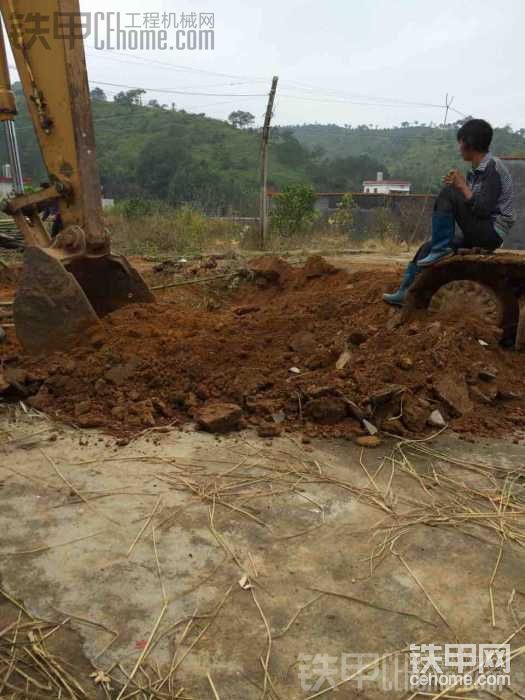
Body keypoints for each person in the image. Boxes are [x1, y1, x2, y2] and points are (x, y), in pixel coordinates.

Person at [383, 118, 515, 306]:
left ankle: (441, 248)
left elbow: (484, 210)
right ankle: (406, 291)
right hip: (480, 229)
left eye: (460, 142)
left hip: (491, 232)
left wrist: (460, 187)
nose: (459, 147)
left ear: (469, 143)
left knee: (449, 192)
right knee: (426, 248)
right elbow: (473, 206)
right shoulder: (477, 171)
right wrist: (461, 187)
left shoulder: (493, 167)